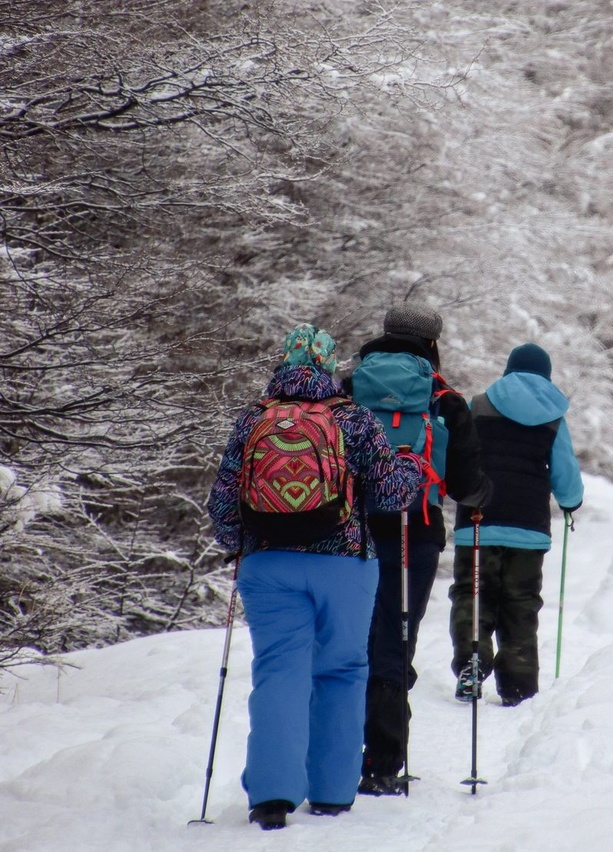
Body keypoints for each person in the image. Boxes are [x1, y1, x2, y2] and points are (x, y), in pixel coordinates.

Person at [206, 323, 421, 830]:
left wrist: (243, 542)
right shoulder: (354, 418)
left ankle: (273, 796)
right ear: (328, 366)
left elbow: (222, 505)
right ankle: (331, 791)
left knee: (280, 670)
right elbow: (392, 495)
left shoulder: (252, 420)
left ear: (281, 363)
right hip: (345, 564)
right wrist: (409, 466)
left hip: (268, 565)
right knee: (343, 670)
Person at [348, 303, 492, 797]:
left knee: (351, 641)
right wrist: (481, 496)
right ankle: (384, 763)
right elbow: (466, 485)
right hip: (417, 531)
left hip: (347, 533)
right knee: (395, 639)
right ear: (432, 344)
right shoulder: (443, 398)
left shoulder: (347, 390)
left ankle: (336, 754)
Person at [448, 342, 584, 707]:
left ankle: (471, 660)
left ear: (508, 370)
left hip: (479, 520)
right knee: (521, 604)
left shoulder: (477, 405)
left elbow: (459, 457)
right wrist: (571, 502)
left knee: (473, 594)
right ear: (546, 375)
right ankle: (520, 686)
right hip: (529, 529)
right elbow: (565, 472)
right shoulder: (554, 417)